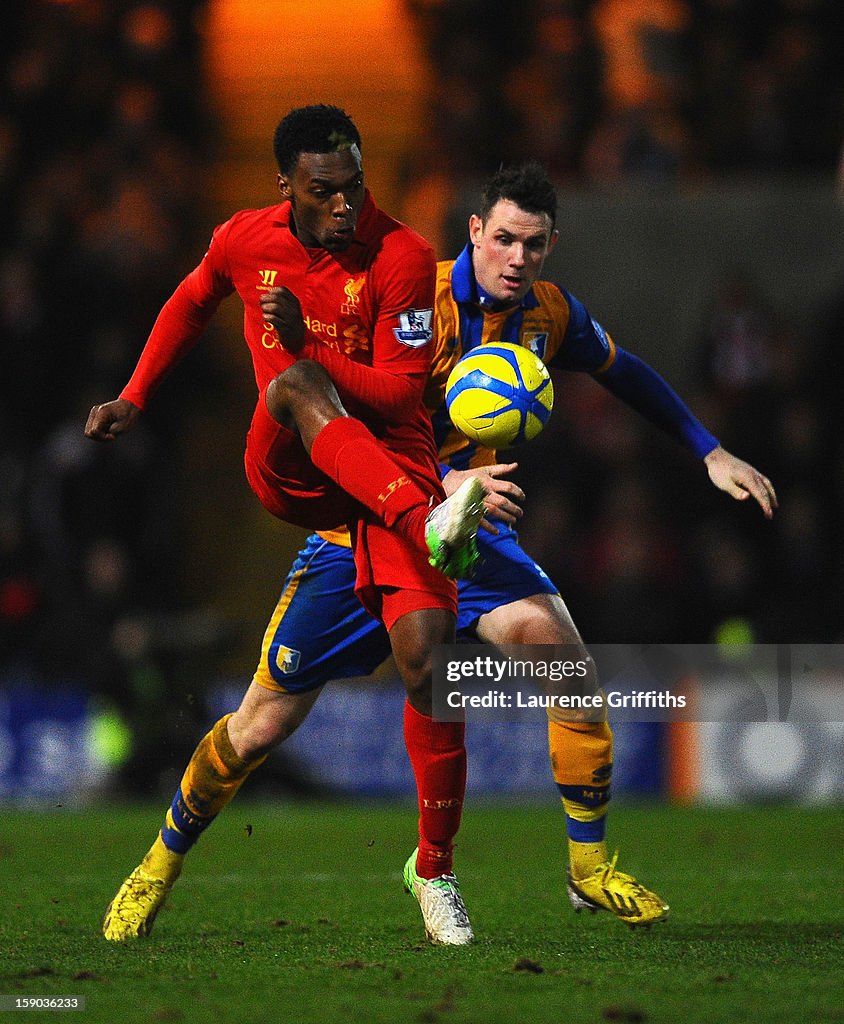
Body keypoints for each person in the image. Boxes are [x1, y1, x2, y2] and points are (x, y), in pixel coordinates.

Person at [101, 158, 779, 938]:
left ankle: (584, 870)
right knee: (259, 726)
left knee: (564, 664)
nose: (516, 258)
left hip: (462, 531)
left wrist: (707, 450)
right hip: (360, 521)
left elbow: (624, 373)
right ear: (474, 235)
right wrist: (448, 475)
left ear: (551, 244)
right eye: (502, 240)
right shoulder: (411, 293)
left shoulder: (549, 315)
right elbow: (348, 403)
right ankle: (157, 865)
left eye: (532, 244)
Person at [86, 104, 488, 947]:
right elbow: (191, 301)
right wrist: (135, 393)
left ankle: (436, 872)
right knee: (293, 383)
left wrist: (314, 344)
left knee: (424, 668)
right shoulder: (245, 239)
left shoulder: (405, 256)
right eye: (325, 192)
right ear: (287, 189)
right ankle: (158, 858)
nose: (346, 206)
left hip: (383, 483)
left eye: (355, 187)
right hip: (297, 472)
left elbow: (399, 395)